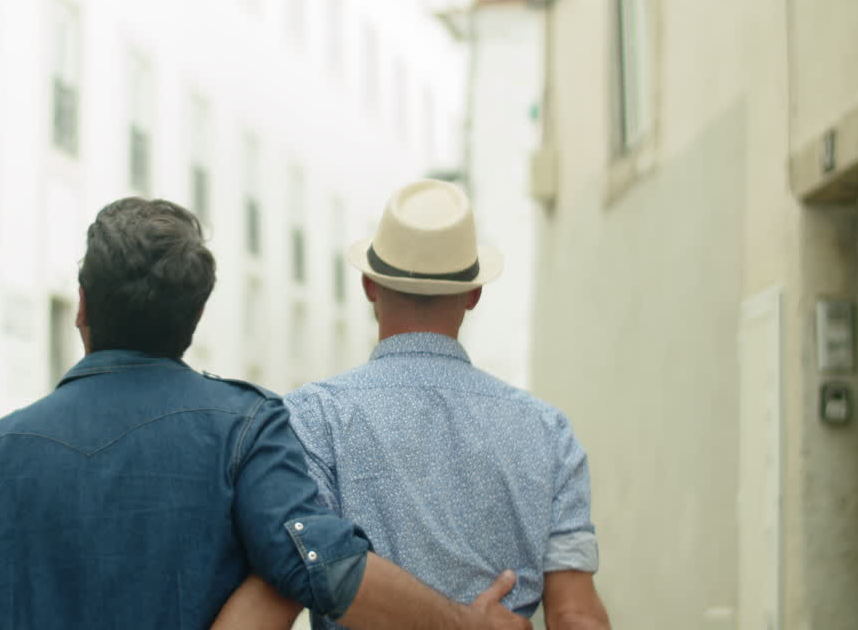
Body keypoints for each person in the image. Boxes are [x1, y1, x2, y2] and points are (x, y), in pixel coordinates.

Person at [0, 197, 531, 629]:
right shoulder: (245, 429)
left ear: (82, 306)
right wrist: (466, 624)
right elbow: (329, 566)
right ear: (193, 320)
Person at [216, 180, 610, 629]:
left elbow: (285, 584)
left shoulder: (314, 418)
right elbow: (575, 613)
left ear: (369, 285)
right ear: (474, 293)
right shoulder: (547, 431)